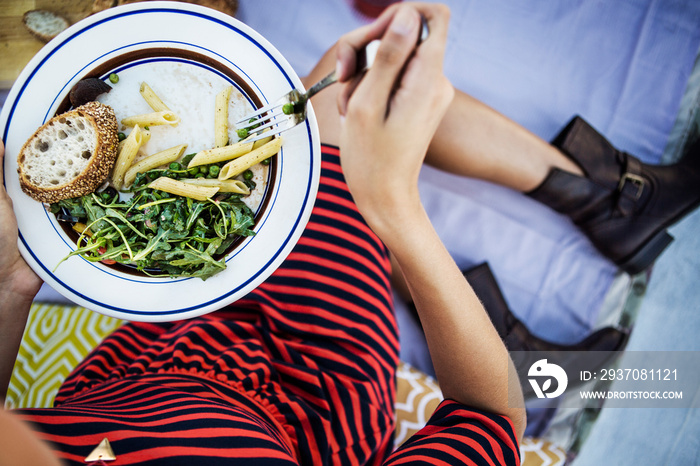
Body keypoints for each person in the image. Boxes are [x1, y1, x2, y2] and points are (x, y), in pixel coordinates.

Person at [1, 3, 525, 465]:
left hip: (165, 342)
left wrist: (8, 288)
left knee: (333, 89)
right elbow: (489, 418)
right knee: (349, 87)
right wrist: (394, 206)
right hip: (312, 386)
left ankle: (593, 196)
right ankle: (577, 190)